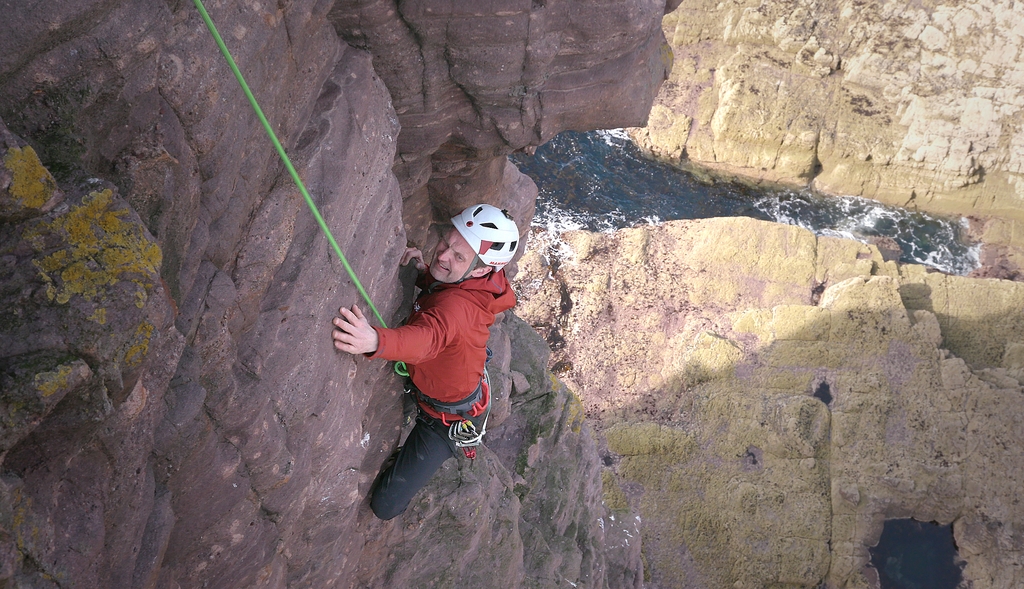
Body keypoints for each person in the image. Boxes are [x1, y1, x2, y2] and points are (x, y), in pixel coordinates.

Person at [331, 203, 520, 520]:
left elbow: (429, 338)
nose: (443, 255)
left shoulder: (456, 310)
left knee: (385, 507)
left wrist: (376, 340)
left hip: (444, 420)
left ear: (481, 270)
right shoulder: (480, 282)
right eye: (447, 243)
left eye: (458, 257)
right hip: (453, 374)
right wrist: (425, 274)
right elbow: (446, 302)